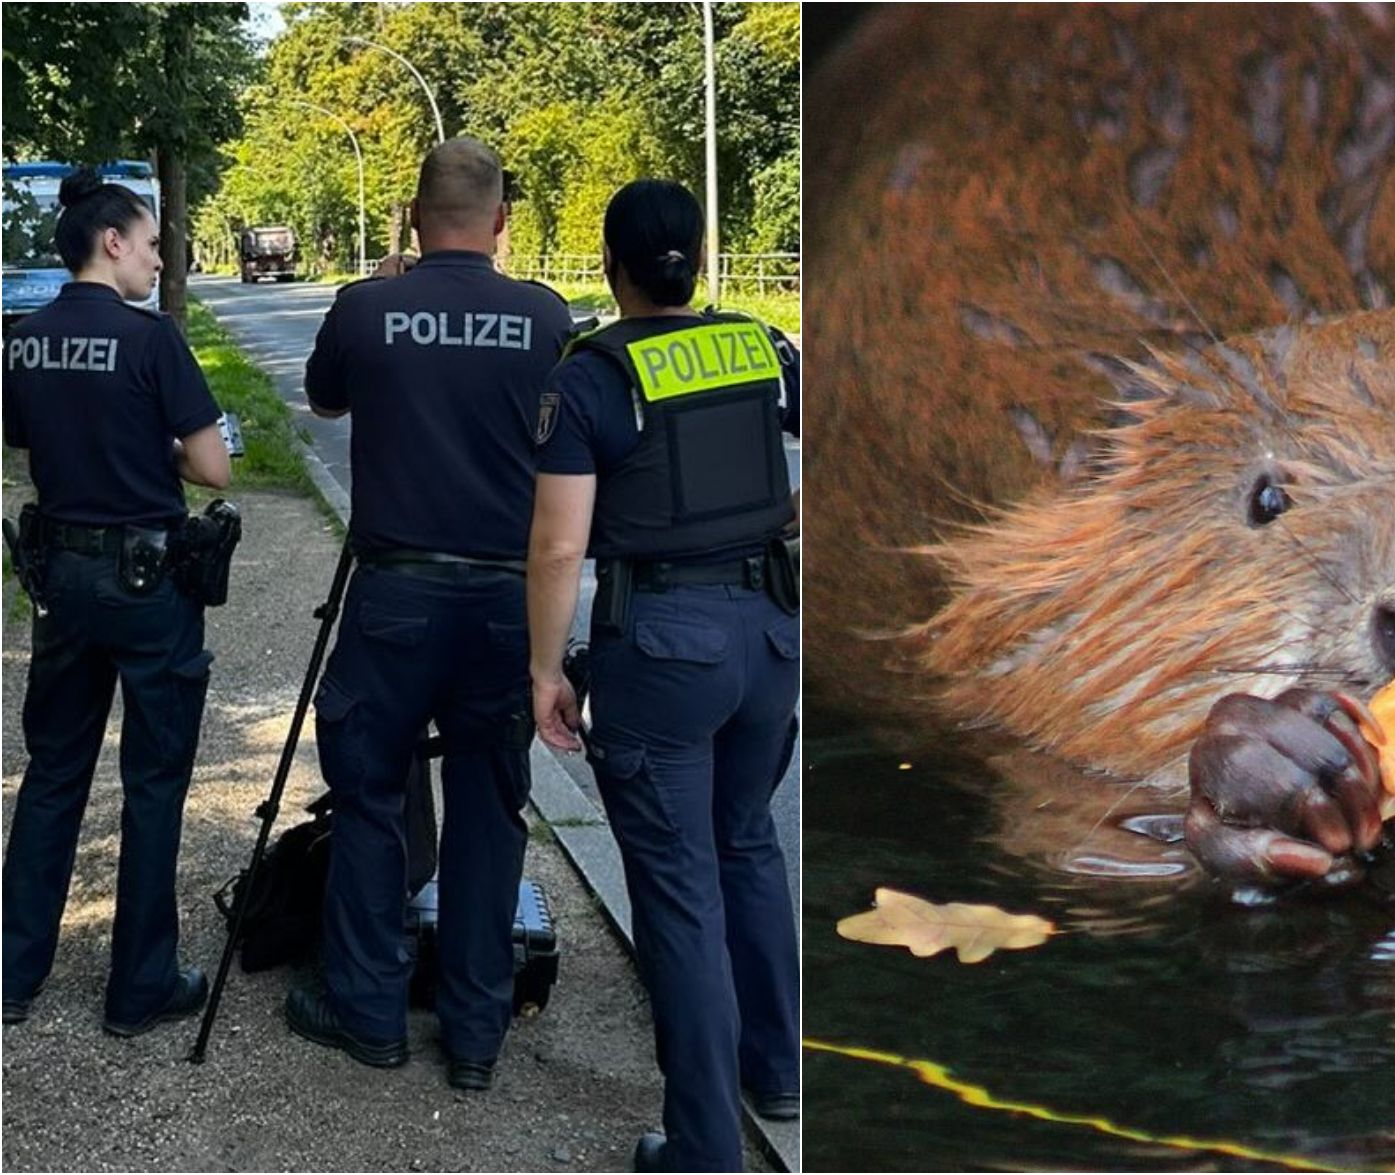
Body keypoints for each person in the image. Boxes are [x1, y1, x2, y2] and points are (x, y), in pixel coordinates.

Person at [286, 137, 573, 1090]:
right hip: (504, 601)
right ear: (500, 223)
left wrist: (384, 293)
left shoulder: (367, 309)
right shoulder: (545, 316)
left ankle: (370, 1016)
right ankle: (477, 1036)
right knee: (492, 809)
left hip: (395, 596)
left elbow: (324, 402)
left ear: (413, 219)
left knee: (370, 795)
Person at [528, 179, 801, 1172]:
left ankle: (701, 1146)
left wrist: (542, 669)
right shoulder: (764, 347)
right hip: (771, 634)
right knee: (749, 847)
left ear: (611, 268)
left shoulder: (594, 376)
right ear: (699, 252)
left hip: (661, 648)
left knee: (681, 890)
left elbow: (558, 549)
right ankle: (777, 1071)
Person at [1, 166, 232, 1034]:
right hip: (147, 585)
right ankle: (139, 988)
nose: (155, 256)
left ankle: (14, 973)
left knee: (53, 771)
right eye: (148, 241)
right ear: (112, 242)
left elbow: (32, 447)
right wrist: (163, 449)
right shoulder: (153, 338)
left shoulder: (22, 338)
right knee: (153, 782)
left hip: (62, 579)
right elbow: (213, 468)